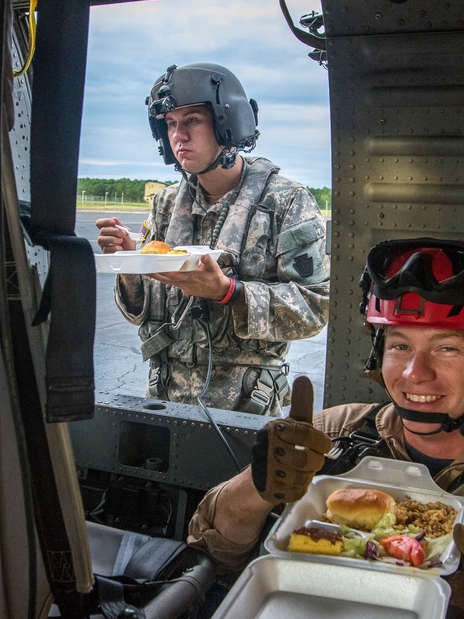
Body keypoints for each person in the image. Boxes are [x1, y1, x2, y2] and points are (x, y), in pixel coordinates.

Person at [186, 238, 464, 619]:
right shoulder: (331, 433)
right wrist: (258, 486)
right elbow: (210, 552)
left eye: (447, 348)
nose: (414, 373)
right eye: (400, 346)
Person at [96, 63, 329, 416]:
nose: (178, 136)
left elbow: (314, 307)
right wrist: (132, 264)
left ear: (227, 122)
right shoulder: (166, 204)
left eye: (192, 121)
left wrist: (228, 291)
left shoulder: (286, 201)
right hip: (163, 402)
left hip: (245, 409)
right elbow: (141, 312)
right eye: (171, 124)